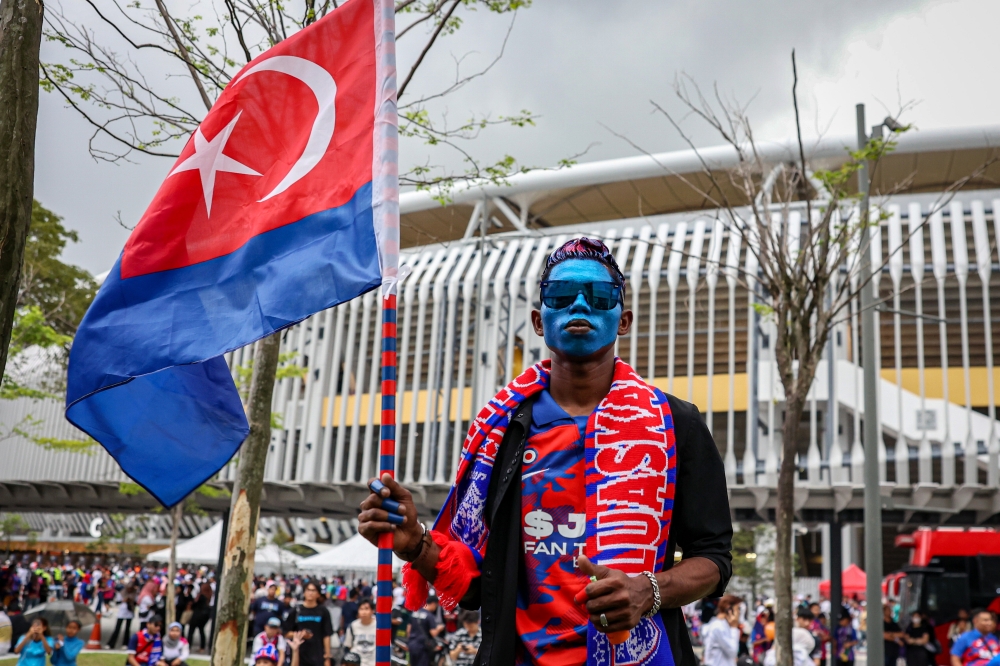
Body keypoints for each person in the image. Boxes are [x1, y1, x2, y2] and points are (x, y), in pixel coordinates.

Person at [359, 237, 734, 666]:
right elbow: (478, 584)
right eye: (561, 295)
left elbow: (714, 558)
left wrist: (647, 590)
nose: (579, 305)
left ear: (623, 319)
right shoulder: (500, 432)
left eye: (599, 296)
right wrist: (414, 544)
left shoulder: (676, 424)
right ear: (539, 320)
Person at [285, 581, 333, 666]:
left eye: (313, 590)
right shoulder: (296, 610)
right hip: (299, 655)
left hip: (317, 654)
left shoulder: (323, 611)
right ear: (304, 592)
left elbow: (327, 635)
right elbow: (286, 633)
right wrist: (301, 634)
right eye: (308, 590)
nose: (310, 593)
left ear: (318, 594)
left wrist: (327, 656)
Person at [702, 595, 742, 666]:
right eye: (738, 609)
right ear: (729, 608)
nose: (739, 612)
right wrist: (734, 628)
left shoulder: (724, 625)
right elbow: (733, 651)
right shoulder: (718, 627)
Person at [407, 596, 444, 666]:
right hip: (423, 647)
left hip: (412, 644)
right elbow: (433, 633)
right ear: (433, 604)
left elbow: (408, 629)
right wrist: (439, 628)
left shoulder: (415, 613)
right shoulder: (430, 616)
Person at [342, 599, 376, 666]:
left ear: (372, 611)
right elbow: (348, 645)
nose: (364, 612)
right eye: (361, 609)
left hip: (373, 662)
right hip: (356, 663)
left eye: (366, 609)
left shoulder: (379, 627)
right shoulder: (353, 625)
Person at [109, 583, 137, 649]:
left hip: (129, 612)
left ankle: (125, 643)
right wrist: (123, 600)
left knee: (127, 629)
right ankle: (111, 644)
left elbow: (136, 602)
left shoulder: (134, 594)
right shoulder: (121, 593)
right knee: (117, 628)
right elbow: (116, 602)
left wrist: (131, 601)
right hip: (121, 612)